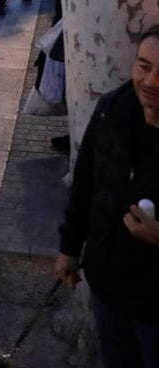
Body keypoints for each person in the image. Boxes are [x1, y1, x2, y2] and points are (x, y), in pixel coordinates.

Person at [56, 26, 159, 368]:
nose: (152, 82)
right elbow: (85, 184)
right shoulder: (112, 110)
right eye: (144, 67)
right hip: (107, 285)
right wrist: (70, 248)